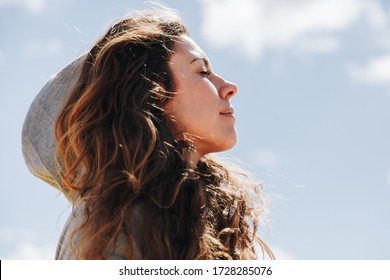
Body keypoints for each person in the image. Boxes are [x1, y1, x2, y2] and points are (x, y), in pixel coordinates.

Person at [22, 8, 274, 260]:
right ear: (154, 94)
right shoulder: (112, 225)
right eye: (203, 72)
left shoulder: (206, 215)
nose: (230, 88)